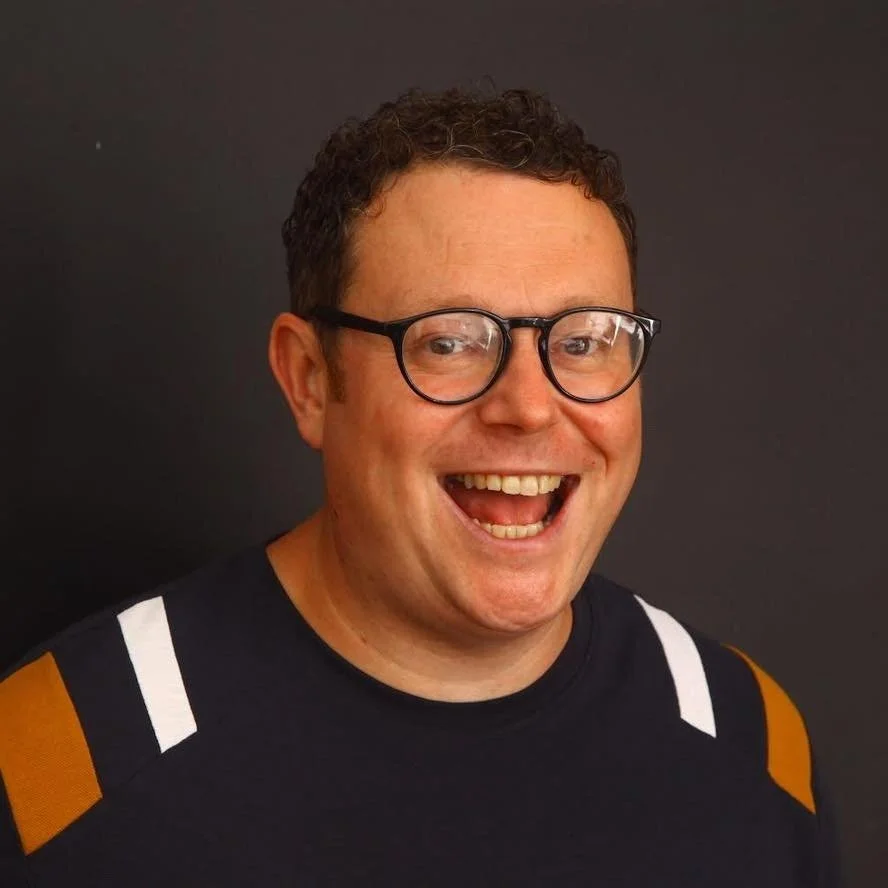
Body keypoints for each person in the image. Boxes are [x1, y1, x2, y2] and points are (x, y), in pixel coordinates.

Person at [0, 87, 840, 886]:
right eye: (448, 342)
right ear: (309, 380)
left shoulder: (748, 739)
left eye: (585, 342)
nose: (528, 406)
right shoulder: (58, 760)